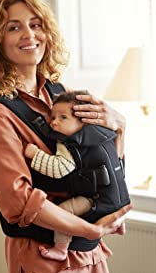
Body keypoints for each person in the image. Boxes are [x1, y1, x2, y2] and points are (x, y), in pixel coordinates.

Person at [0, 0, 132, 273]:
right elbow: (19, 202)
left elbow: (100, 159)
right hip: (44, 256)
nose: (29, 35)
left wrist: (120, 128)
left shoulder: (59, 94)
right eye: (13, 27)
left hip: (89, 251)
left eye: (36, 24)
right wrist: (87, 229)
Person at [24, 90, 126, 261]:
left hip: (95, 198)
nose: (54, 123)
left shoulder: (69, 142)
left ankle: (60, 248)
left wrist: (35, 155)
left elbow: (60, 168)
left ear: (83, 121)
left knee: (63, 213)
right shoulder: (105, 134)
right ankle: (119, 224)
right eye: (52, 117)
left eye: (63, 118)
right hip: (119, 197)